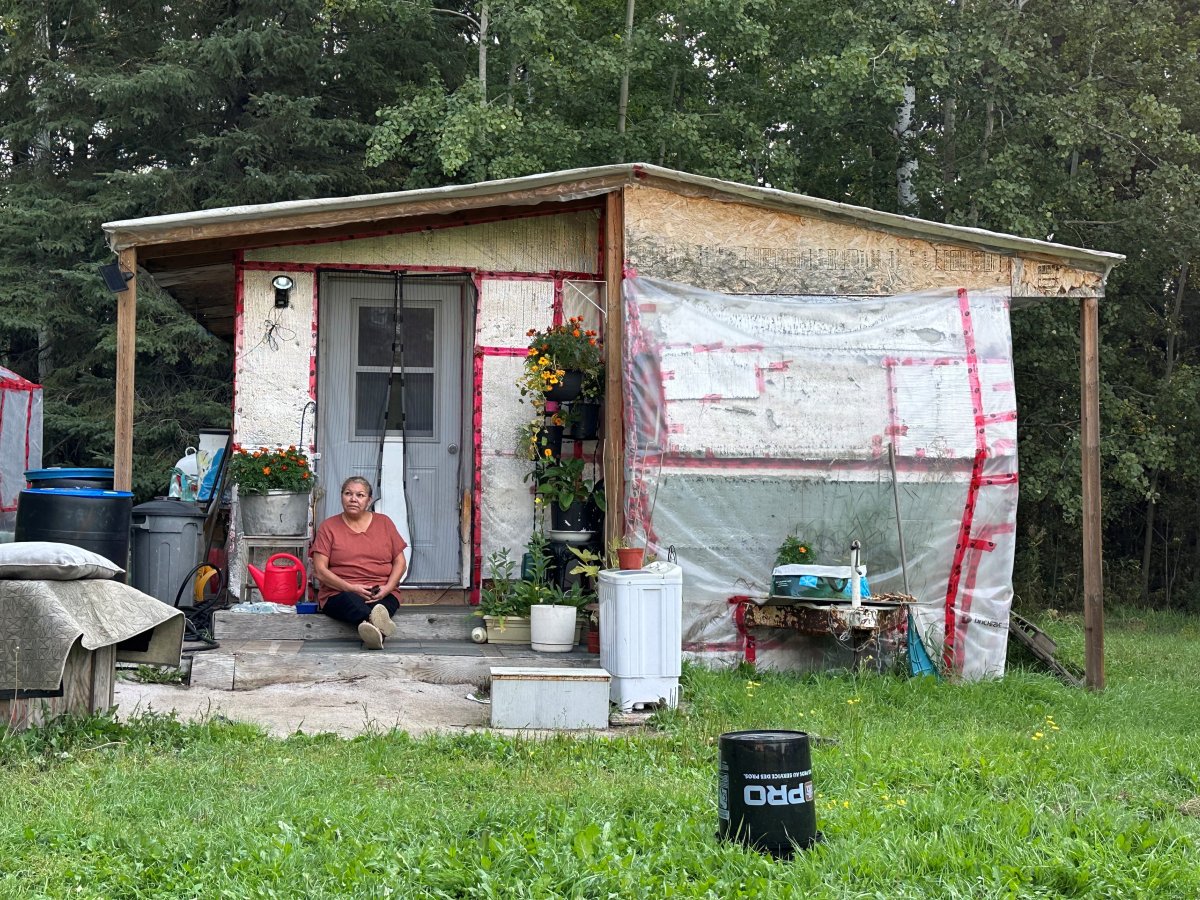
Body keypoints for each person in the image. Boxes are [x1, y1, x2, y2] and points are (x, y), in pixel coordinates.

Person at [311, 476, 407, 649]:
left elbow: (400, 563)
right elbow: (319, 570)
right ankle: (380, 629)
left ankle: (373, 632)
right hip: (340, 592)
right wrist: (350, 587)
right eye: (348, 494)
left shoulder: (384, 523)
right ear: (341, 497)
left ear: (369, 500)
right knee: (355, 604)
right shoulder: (329, 527)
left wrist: (388, 588)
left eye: (360, 495)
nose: (353, 499)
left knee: (382, 606)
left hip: (381, 591)